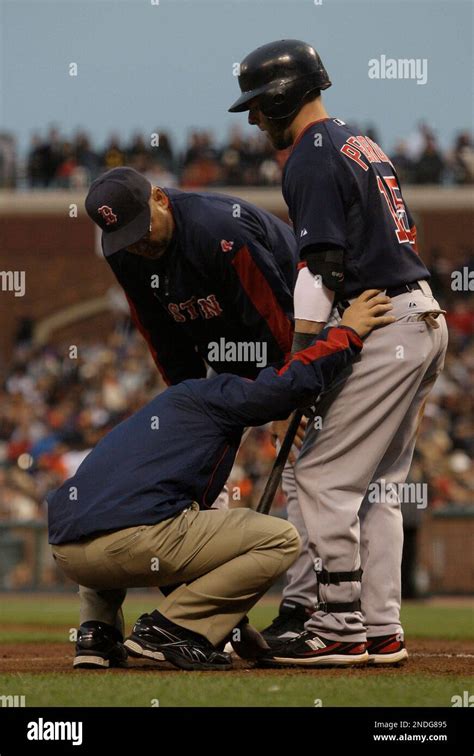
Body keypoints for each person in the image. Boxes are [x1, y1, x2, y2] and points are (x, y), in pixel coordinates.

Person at [229, 39, 448, 666]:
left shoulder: (310, 156)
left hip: (383, 321)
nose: (252, 119)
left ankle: (340, 624)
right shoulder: (359, 141)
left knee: (322, 474)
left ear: (281, 95)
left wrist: (302, 369)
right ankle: (381, 627)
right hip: (418, 314)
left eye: (257, 105)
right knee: (380, 486)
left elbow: (320, 269)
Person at [46, 291, 393, 670]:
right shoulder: (212, 393)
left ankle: (96, 635)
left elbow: (175, 561)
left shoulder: (162, 413)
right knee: (280, 539)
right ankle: (169, 630)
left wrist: (235, 626)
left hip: (70, 551)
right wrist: (344, 334)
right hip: (134, 540)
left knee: (106, 512)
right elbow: (280, 390)